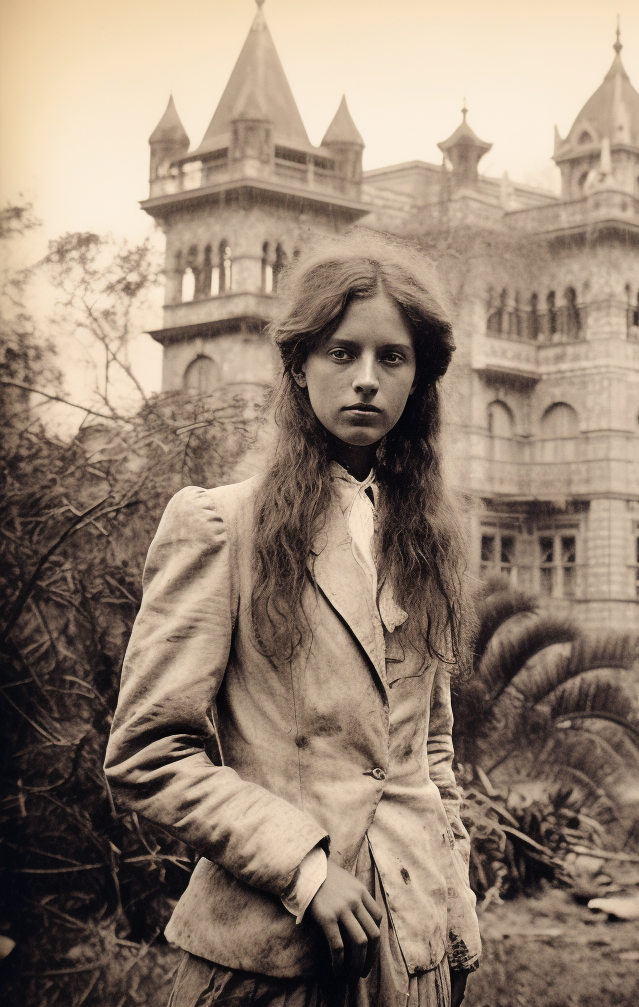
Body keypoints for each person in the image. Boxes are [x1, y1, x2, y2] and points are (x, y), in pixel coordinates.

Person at [104, 231, 481, 1007]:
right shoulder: (219, 527)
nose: (367, 380)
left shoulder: (429, 539)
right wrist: (305, 871)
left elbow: (426, 752)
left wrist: (455, 914)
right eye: (342, 354)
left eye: (392, 358)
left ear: (420, 380)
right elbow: (148, 751)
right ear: (300, 364)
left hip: (411, 951)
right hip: (271, 956)